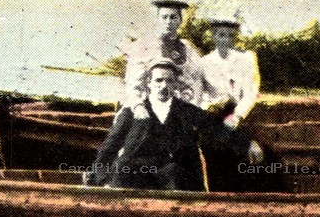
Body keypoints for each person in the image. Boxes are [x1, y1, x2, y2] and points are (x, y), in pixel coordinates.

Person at [86, 59, 264, 191]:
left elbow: (216, 128)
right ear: (149, 84)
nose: (164, 86)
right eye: (158, 80)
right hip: (136, 173)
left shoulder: (187, 110)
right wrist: (98, 177)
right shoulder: (131, 112)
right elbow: (109, 147)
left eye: (169, 81)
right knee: (121, 174)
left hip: (173, 175)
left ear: (176, 84)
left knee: (177, 176)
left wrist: (247, 143)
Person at [122, 0, 205, 110]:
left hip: (178, 107)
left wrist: (186, 104)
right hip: (146, 106)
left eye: (173, 17)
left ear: (180, 20)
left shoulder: (187, 50)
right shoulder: (144, 47)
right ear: (158, 20)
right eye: (164, 17)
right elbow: (134, 84)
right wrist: (138, 106)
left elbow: (194, 84)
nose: (168, 21)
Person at [199, 16, 261, 129]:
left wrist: (237, 116)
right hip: (211, 118)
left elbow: (250, 93)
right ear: (214, 36)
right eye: (221, 35)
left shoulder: (246, 60)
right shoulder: (204, 63)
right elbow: (200, 94)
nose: (226, 40)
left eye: (231, 36)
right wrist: (208, 108)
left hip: (238, 118)